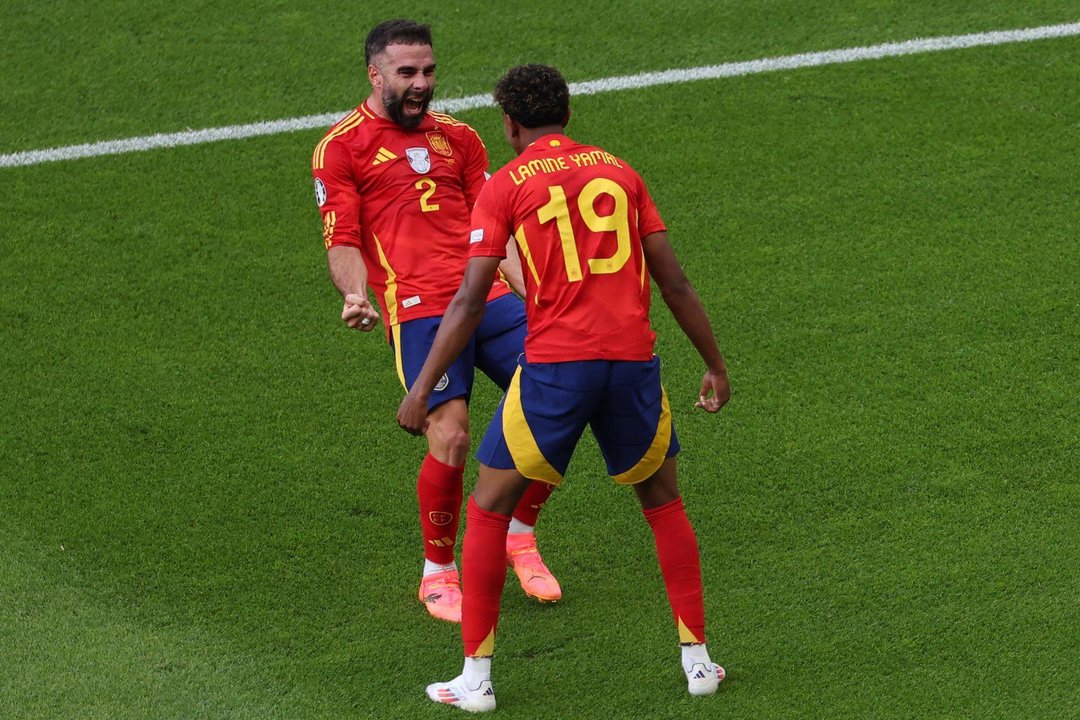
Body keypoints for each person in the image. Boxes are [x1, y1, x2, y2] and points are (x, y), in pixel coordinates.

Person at [397, 64, 731, 711]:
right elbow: (675, 282)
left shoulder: (503, 185)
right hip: (634, 362)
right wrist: (714, 364)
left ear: (510, 124)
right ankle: (698, 662)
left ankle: (476, 680)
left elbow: (469, 300)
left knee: (489, 508)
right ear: (568, 115)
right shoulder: (620, 172)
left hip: (556, 365)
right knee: (664, 505)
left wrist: (422, 388)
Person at [311, 20, 562, 624]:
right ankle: (437, 573)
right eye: (407, 73)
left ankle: (517, 534)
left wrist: (539, 298)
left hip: (492, 298)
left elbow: (494, 230)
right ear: (375, 74)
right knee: (449, 433)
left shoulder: (459, 137)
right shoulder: (340, 147)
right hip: (420, 308)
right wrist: (355, 294)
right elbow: (341, 239)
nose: (421, 84)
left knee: (565, 396)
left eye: (427, 71)